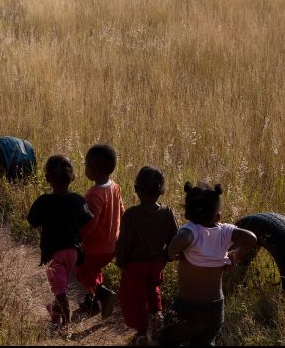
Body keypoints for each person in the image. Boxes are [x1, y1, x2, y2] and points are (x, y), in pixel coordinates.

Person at [158, 182, 257, 347]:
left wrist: (170, 253)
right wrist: (235, 255)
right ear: (217, 216)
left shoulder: (190, 231)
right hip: (216, 307)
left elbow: (182, 240)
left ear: (187, 214)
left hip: (188, 306)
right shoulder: (225, 232)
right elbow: (251, 238)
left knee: (167, 339)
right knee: (204, 342)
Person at [28, 155, 93, 331]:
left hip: (54, 254)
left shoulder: (44, 201)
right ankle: (55, 312)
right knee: (61, 285)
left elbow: (32, 221)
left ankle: (66, 325)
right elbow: (87, 220)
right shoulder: (78, 200)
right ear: (73, 177)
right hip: (73, 253)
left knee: (60, 291)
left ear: (47, 178)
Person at [115, 166, 178, 345]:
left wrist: (121, 261)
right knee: (153, 290)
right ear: (161, 190)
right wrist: (166, 257)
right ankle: (157, 316)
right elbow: (176, 239)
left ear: (136, 189)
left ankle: (142, 333)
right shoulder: (167, 212)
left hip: (135, 265)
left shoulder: (131, 215)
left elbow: (124, 242)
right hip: (156, 263)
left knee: (136, 299)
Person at [76, 144, 124, 319]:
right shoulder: (115, 187)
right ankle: (92, 303)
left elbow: (90, 223)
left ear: (94, 169)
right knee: (95, 271)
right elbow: (121, 211)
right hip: (112, 246)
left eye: (86, 165)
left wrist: (79, 239)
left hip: (94, 248)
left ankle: (102, 294)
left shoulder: (94, 194)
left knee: (81, 271)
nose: (85, 169)